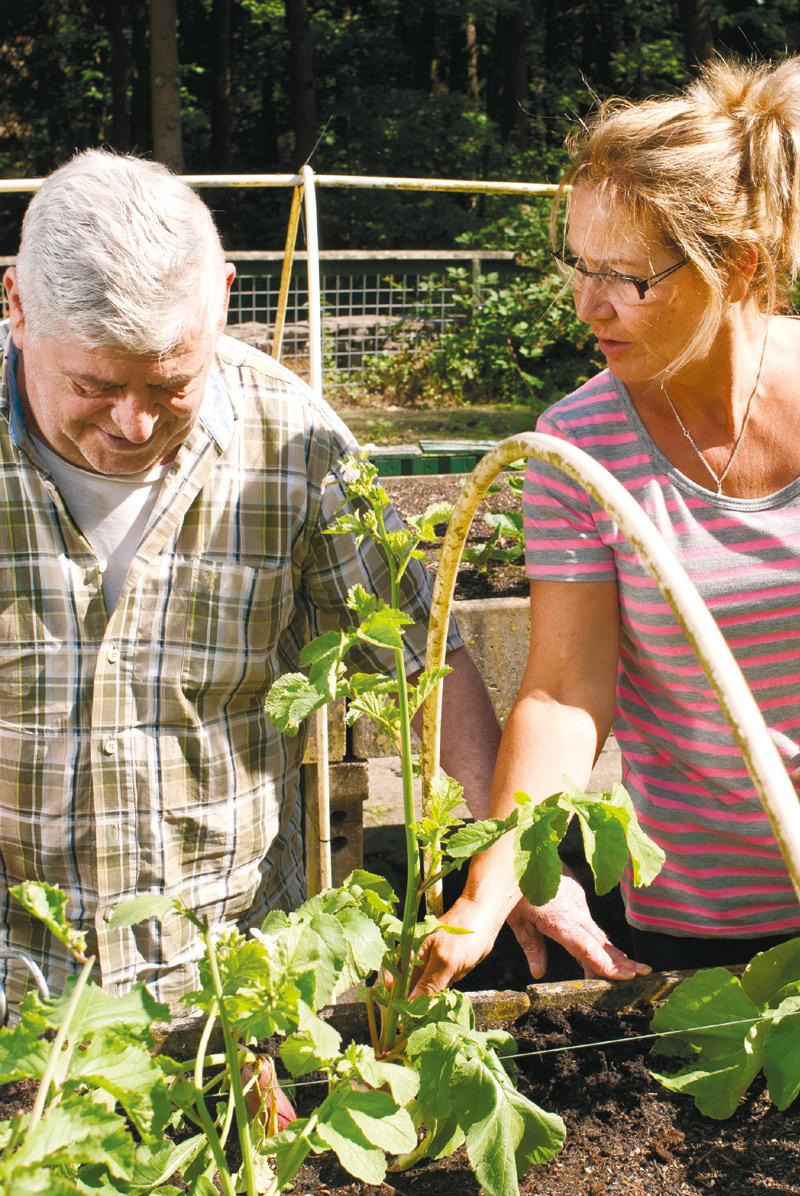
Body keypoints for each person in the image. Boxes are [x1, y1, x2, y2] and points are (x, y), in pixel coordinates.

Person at [0, 149, 504, 1015]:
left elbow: (426, 656)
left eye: (170, 384)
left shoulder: (295, 445)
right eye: (94, 384)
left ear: (225, 297)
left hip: (228, 1001)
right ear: (14, 305)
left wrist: (503, 871)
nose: (133, 423)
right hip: (17, 999)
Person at [416, 54, 800, 993]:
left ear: (740, 265)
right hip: (696, 933)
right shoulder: (580, 446)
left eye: (624, 276)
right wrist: (489, 888)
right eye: (580, 265)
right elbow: (567, 693)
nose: (586, 303)